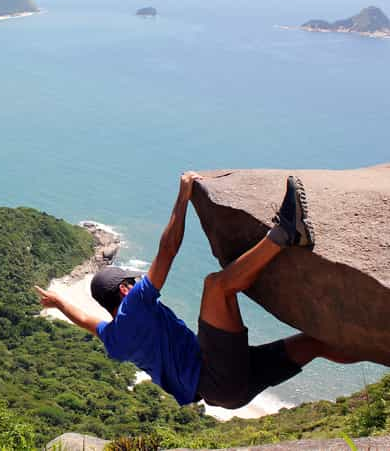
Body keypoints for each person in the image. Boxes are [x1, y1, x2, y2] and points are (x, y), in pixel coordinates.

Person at [35, 173, 359, 410]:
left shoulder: (114, 338)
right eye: (131, 281)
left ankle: (377, 350)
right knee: (215, 286)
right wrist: (183, 196)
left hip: (226, 391)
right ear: (123, 290)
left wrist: (57, 302)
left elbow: (85, 320)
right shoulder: (134, 305)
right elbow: (168, 250)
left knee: (314, 343)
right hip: (216, 376)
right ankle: (287, 233)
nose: (136, 283)